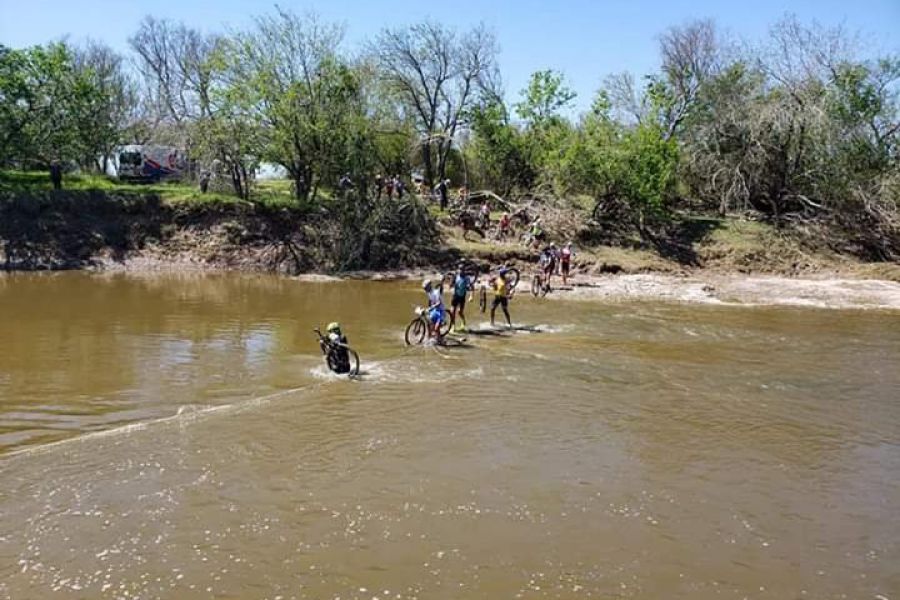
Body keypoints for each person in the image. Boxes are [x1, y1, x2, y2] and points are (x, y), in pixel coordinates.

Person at [449, 262, 473, 333]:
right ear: (458, 270)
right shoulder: (455, 276)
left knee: (459, 312)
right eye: (460, 269)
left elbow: (471, 288)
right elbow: (450, 285)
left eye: (462, 269)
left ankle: (463, 323)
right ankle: (453, 326)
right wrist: (451, 283)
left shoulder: (467, 278)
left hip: (462, 296)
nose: (461, 270)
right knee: (452, 312)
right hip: (455, 295)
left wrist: (471, 296)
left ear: (464, 270)